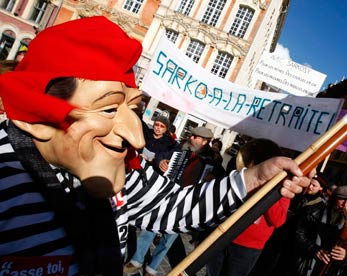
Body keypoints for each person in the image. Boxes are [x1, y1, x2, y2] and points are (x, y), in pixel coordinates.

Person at [0, 16, 312, 276]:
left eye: (133, 110)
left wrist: (254, 178)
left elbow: (173, 206)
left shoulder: (120, 171)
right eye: (109, 109)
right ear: (38, 115)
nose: (136, 137)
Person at [124, 126, 223, 275]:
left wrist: (213, 179)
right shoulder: (182, 149)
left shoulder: (213, 161)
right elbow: (160, 156)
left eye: (195, 137)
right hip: (168, 195)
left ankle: (152, 268)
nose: (191, 138)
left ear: (204, 141)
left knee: (168, 239)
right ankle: (136, 260)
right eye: (192, 135)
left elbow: (221, 180)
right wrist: (162, 162)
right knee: (149, 228)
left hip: (188, 202)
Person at [205, 138, 291, 276]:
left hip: (248, 247)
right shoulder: (242, 175)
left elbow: (278, 220)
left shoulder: (283, 186)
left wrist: (267, 189)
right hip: (222, 234)